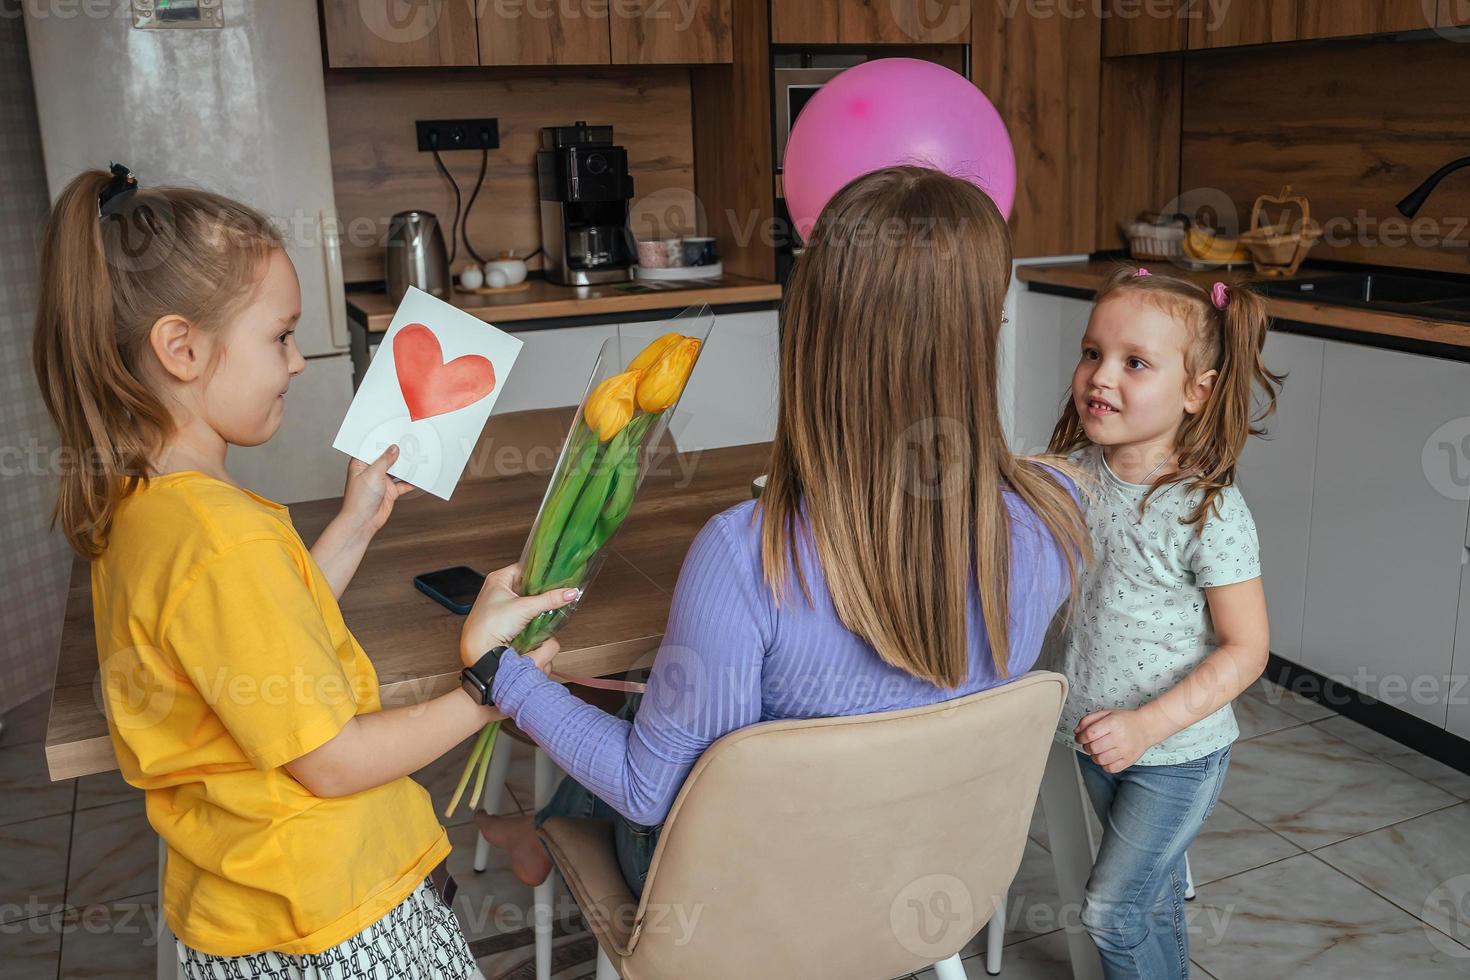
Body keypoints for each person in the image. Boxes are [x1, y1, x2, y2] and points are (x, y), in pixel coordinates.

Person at [474, 165, 1091, 897]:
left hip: (757, 901)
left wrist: (496, 672)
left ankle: (542, 827)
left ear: (813, 336)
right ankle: (542, 825)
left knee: (658, 711)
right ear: (983, 336)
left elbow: (650, 792)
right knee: (667, 694)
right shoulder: (1056, 514)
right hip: (931, 874)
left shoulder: (743, 554)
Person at [31, 166, 574, 978]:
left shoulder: (151, 507)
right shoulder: (224, 537)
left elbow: (252, 648)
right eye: (279, 336)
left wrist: (354, 524)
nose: (297, 363)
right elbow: (330, 760)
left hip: (245, 911)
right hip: (334, 920)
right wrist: (490, 689)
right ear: (181, 349)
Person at [1047, 266, 1277, 979]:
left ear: (1194, 392)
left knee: (1112, 914)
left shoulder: (1208, 511)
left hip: (1175, 754)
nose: (1100, 376)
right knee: (1149, 900)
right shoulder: (1072, 474)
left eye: (1135, 363)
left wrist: (1148, 726)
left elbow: (1248, 650)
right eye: (1093, 353)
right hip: (1098, 737)